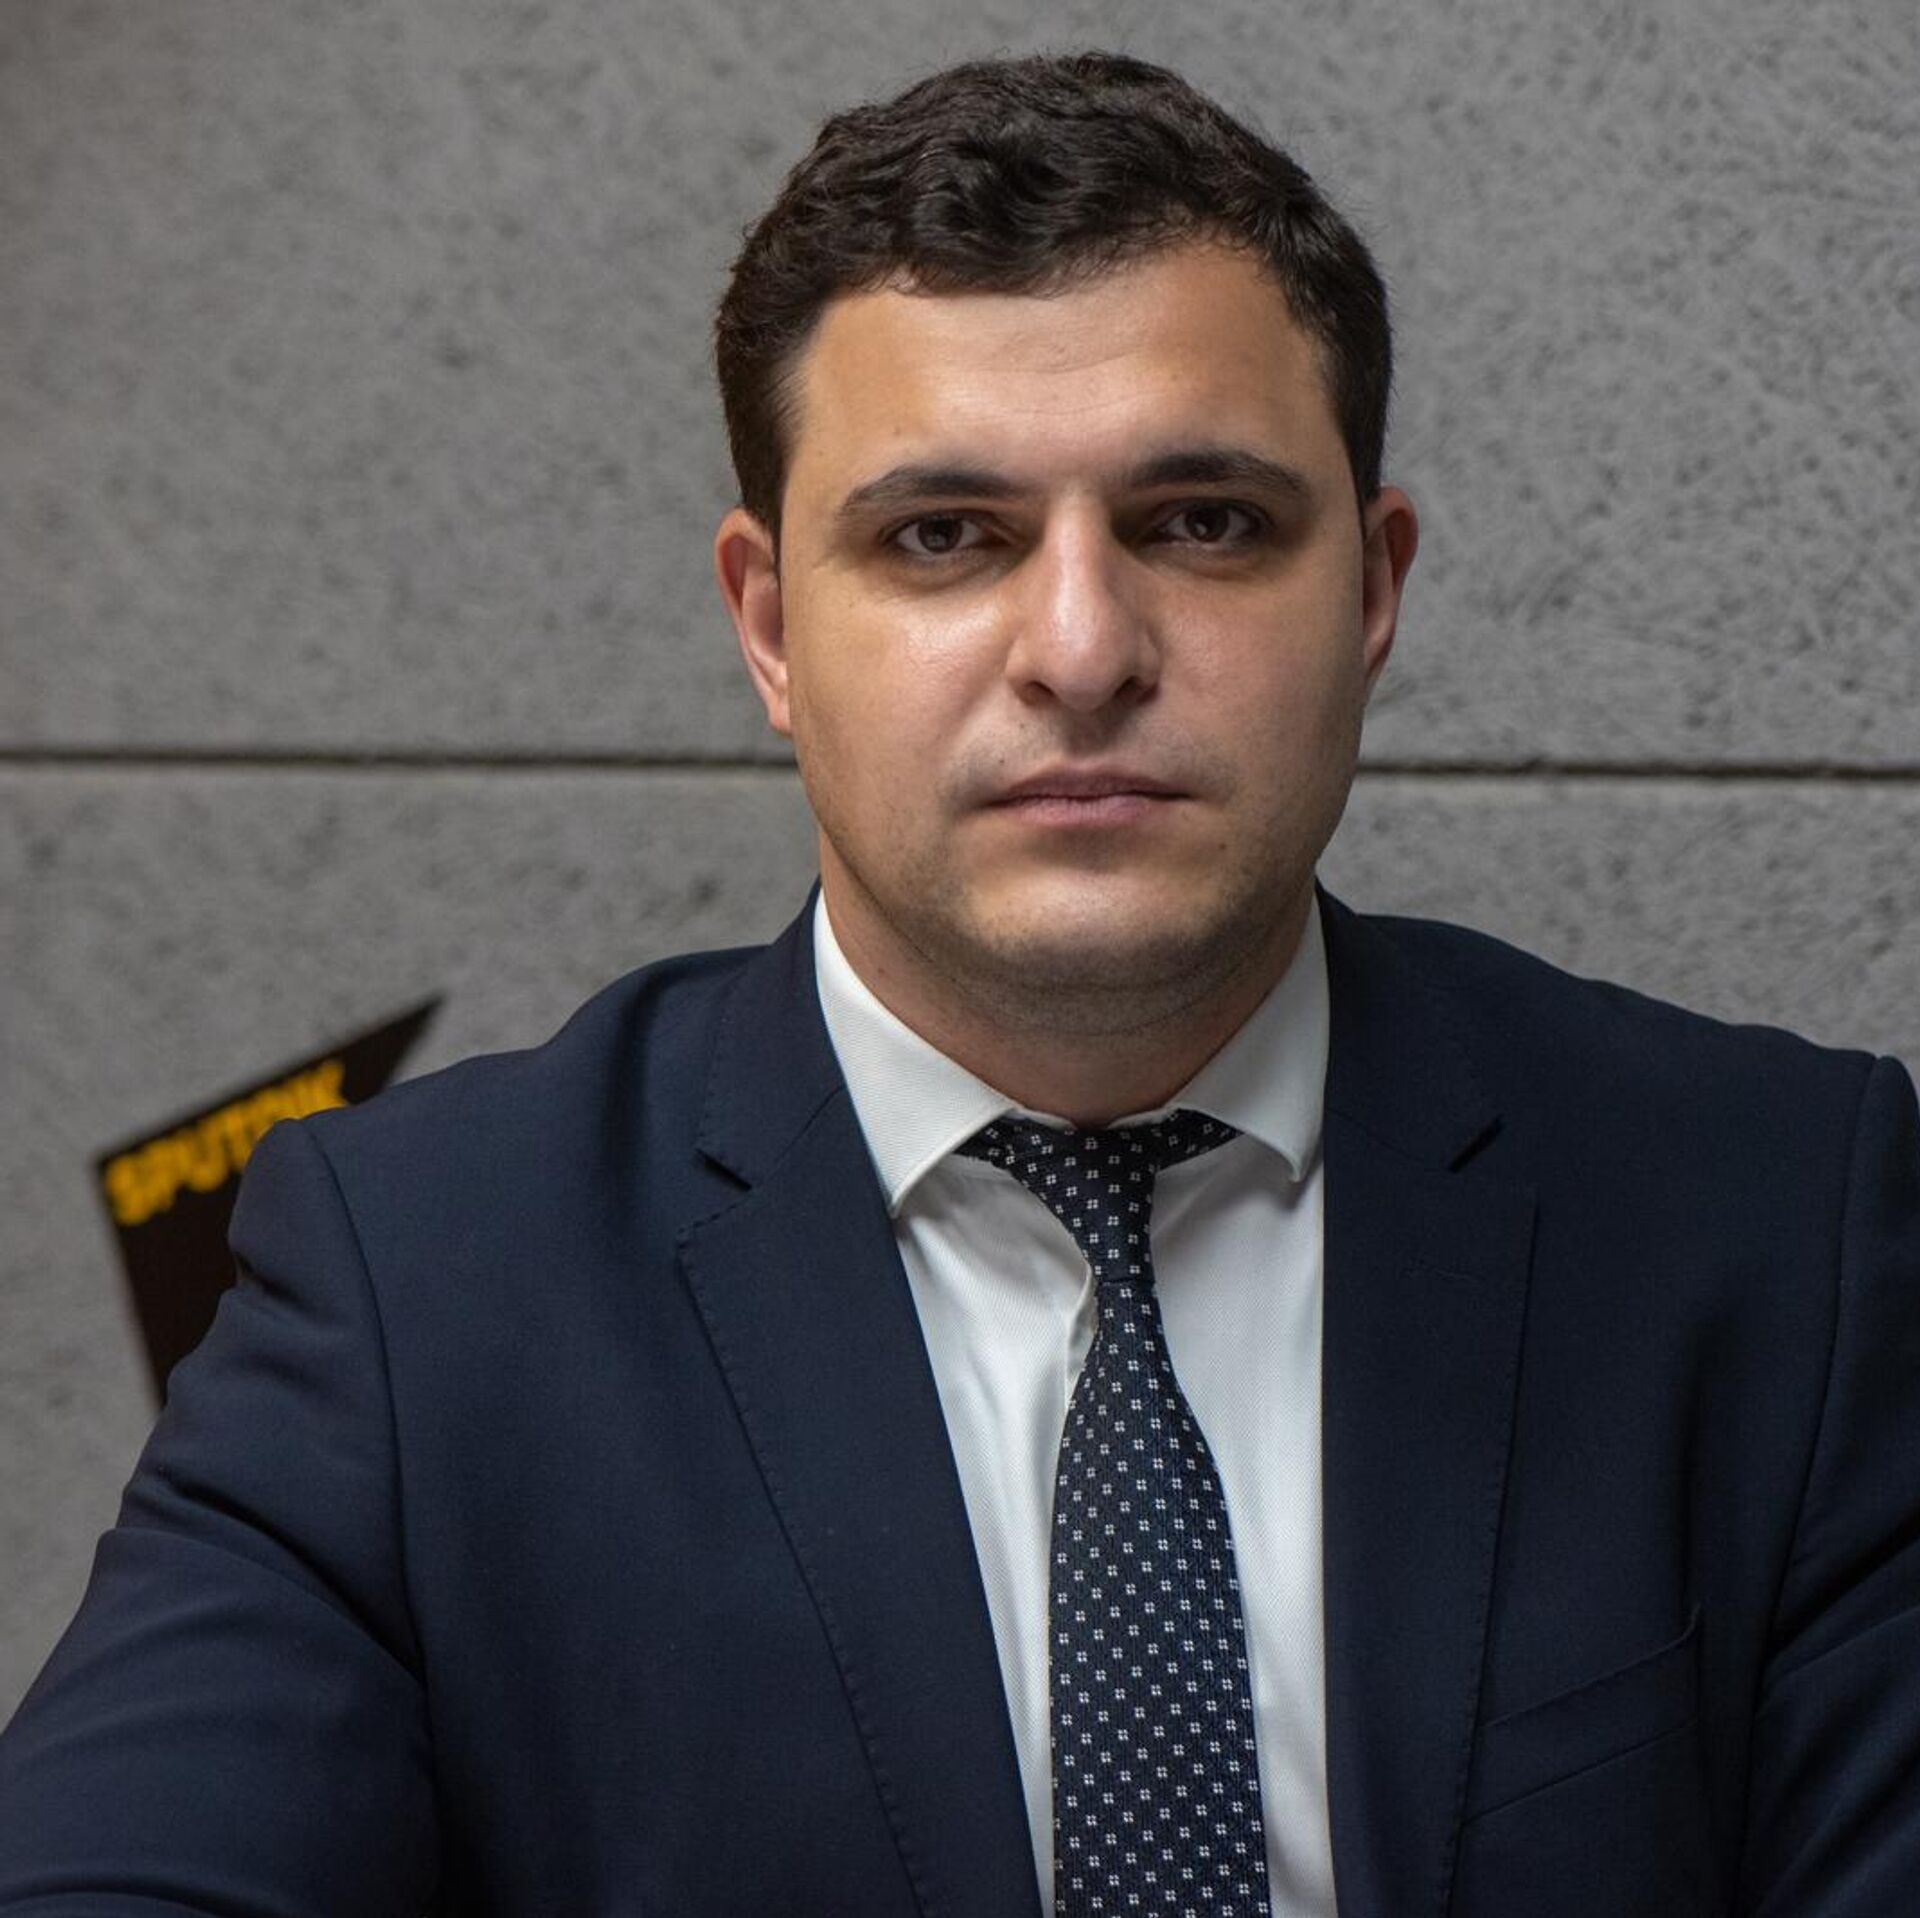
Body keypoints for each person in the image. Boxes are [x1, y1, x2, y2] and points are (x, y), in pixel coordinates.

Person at [3, 49, 1917, 1918]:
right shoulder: (420, 1282)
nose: (1081, 648)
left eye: (1203, 522)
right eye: (943, 536)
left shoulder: (1778, 1218)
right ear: (770, 624)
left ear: (1372, 588)